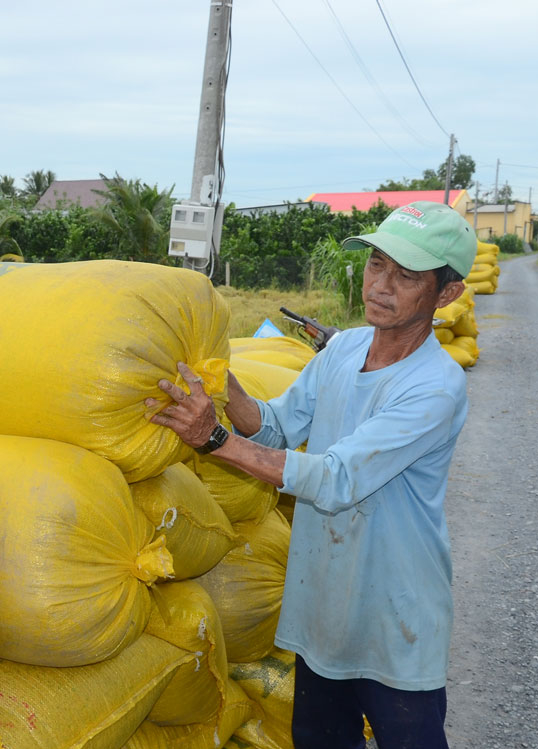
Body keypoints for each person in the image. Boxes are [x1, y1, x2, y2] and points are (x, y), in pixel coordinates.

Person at [147, 201, 476, 749]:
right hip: (324, 601)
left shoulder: (435, 387)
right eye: (376, 266)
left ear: (447, 293)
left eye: (407, 276)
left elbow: (335, 479)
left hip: (395, 612)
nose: (381, 285)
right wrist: (218, 379)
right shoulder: (345, 348)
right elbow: (274, 426)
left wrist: (213, 439)